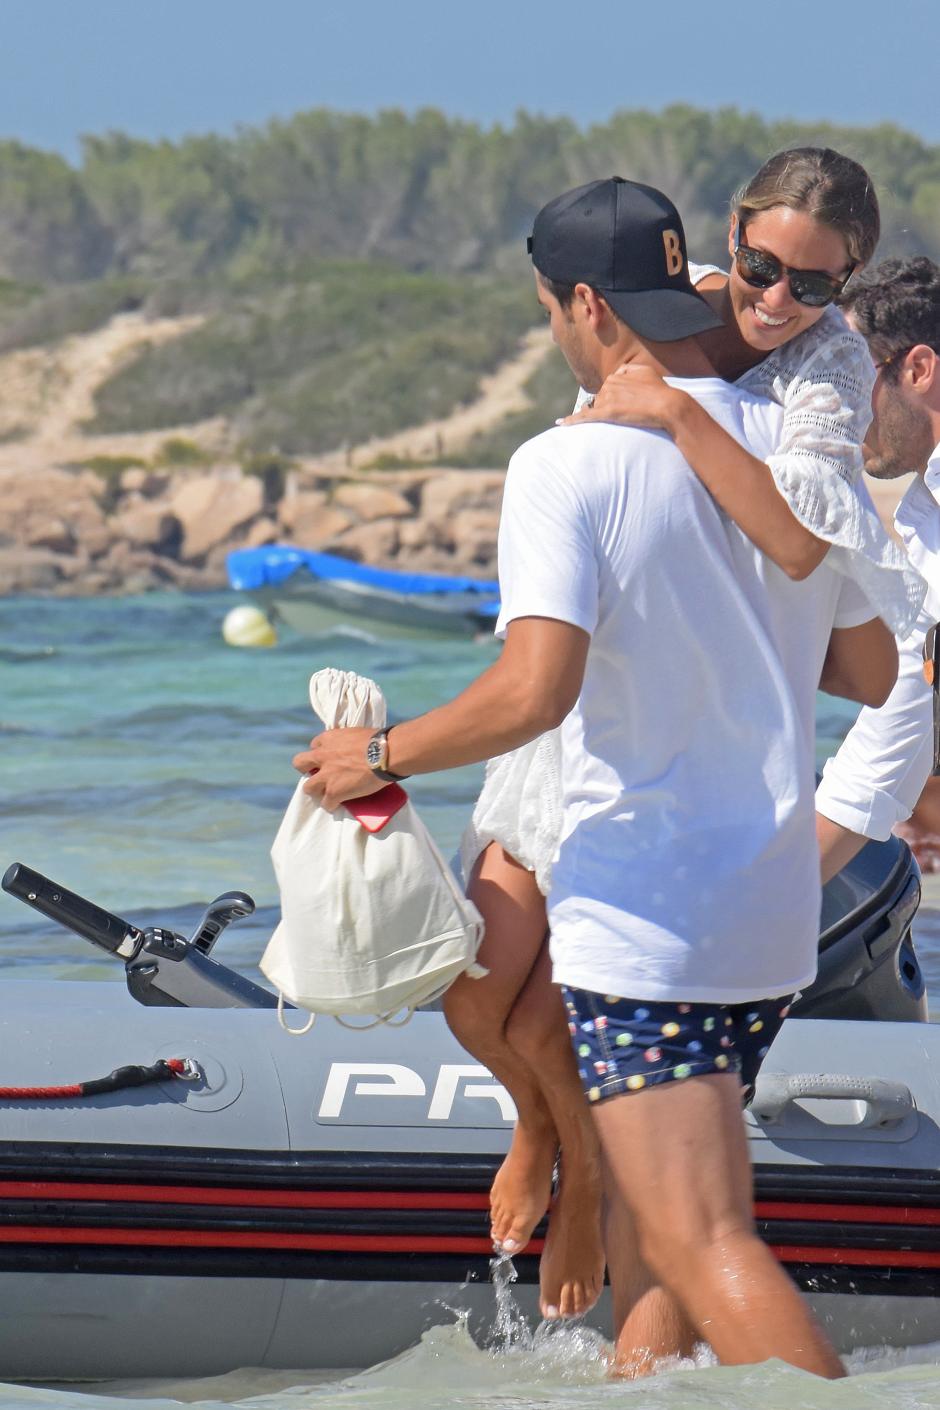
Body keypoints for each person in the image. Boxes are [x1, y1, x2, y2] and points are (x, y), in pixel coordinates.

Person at [299, 176, 886, 1376]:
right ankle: (639, 1387)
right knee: (648, 1226)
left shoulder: (564, 464)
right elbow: (869, 667)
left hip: (649, 915)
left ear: (572, 302)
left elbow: (533, 693)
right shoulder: (783, 450)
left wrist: (377, 754)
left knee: (703, 1237)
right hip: (768, 912)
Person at [449, 147, 920, 1334]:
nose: (775, 301)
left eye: (813, 284)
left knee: (689, 1218)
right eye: (760, 267)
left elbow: (806, 547)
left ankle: (597, 1176)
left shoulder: (824, 370)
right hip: (615, 688)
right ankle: (552, 1144)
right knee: (477, 988)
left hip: (677, 779)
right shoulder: (661, 292)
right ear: (727, 239)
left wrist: (664, 409)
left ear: (848, 284)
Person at [814, 257, 940, 877]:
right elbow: (895, 738)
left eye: (847, 379)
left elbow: (888, 746)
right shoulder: (926, 517)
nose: (836, 410)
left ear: (916, 369)